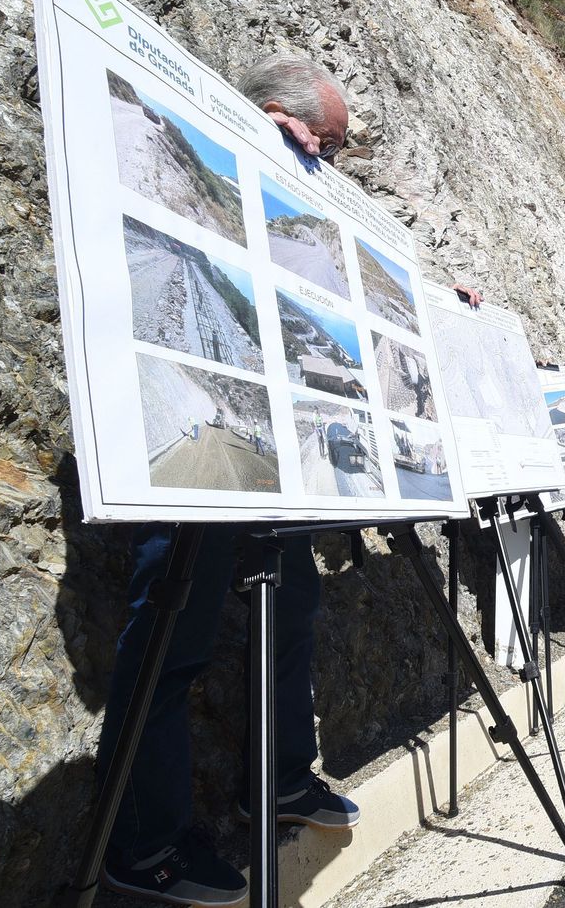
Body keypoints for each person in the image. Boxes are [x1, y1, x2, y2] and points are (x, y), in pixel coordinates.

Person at [98, 55, 359, 907]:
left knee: (293, 611)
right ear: (276, 112)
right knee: (171, 637)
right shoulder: (190, 147)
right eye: (323, 141)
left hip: (275, 447)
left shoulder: (284, 194)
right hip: (190, 443)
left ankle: (281, 779)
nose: (324, 159)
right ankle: (144, 846)